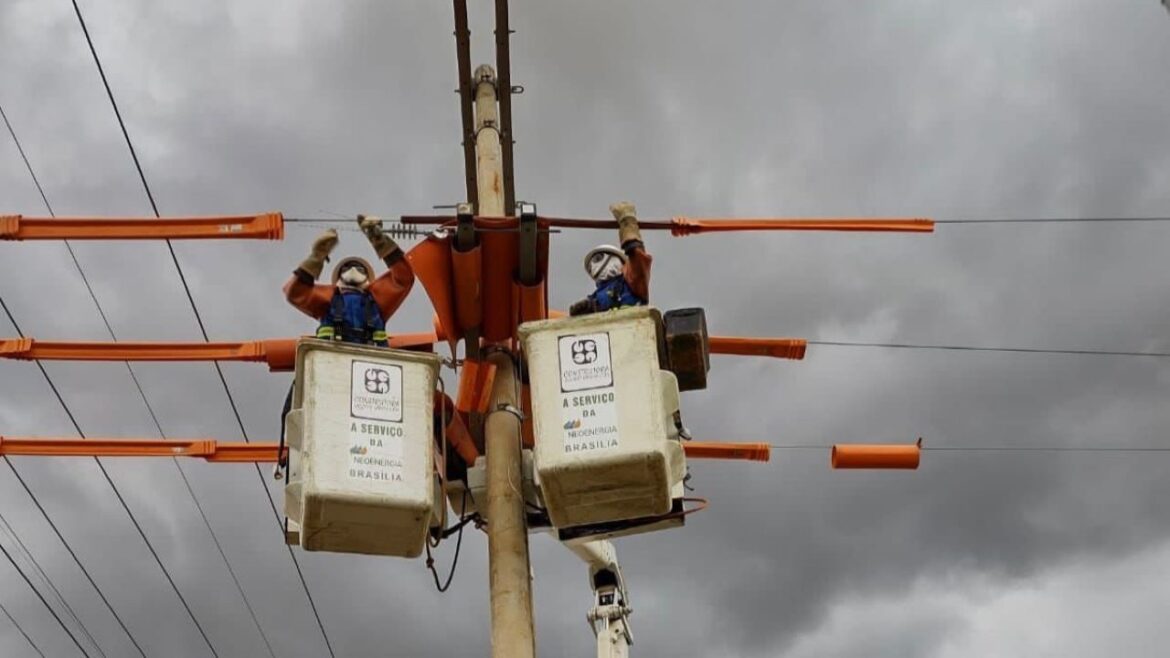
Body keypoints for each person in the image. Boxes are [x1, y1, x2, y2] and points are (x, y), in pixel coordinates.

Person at [283, 215, 414, 343]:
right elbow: (295, 292)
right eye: (346, 268)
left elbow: (404, 278)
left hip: (370, 359)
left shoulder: (376, 300)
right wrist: (316, 258)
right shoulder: (329, 298)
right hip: (332, 358)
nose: (353, 270)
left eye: (360, 269)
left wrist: (380, 241)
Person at [569, 202, 652, 316]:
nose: (594, 267)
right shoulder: (594, 298)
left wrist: (627, 221)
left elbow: (637, 257)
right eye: (590, 266)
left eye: (598, 259)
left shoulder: (630, 283)